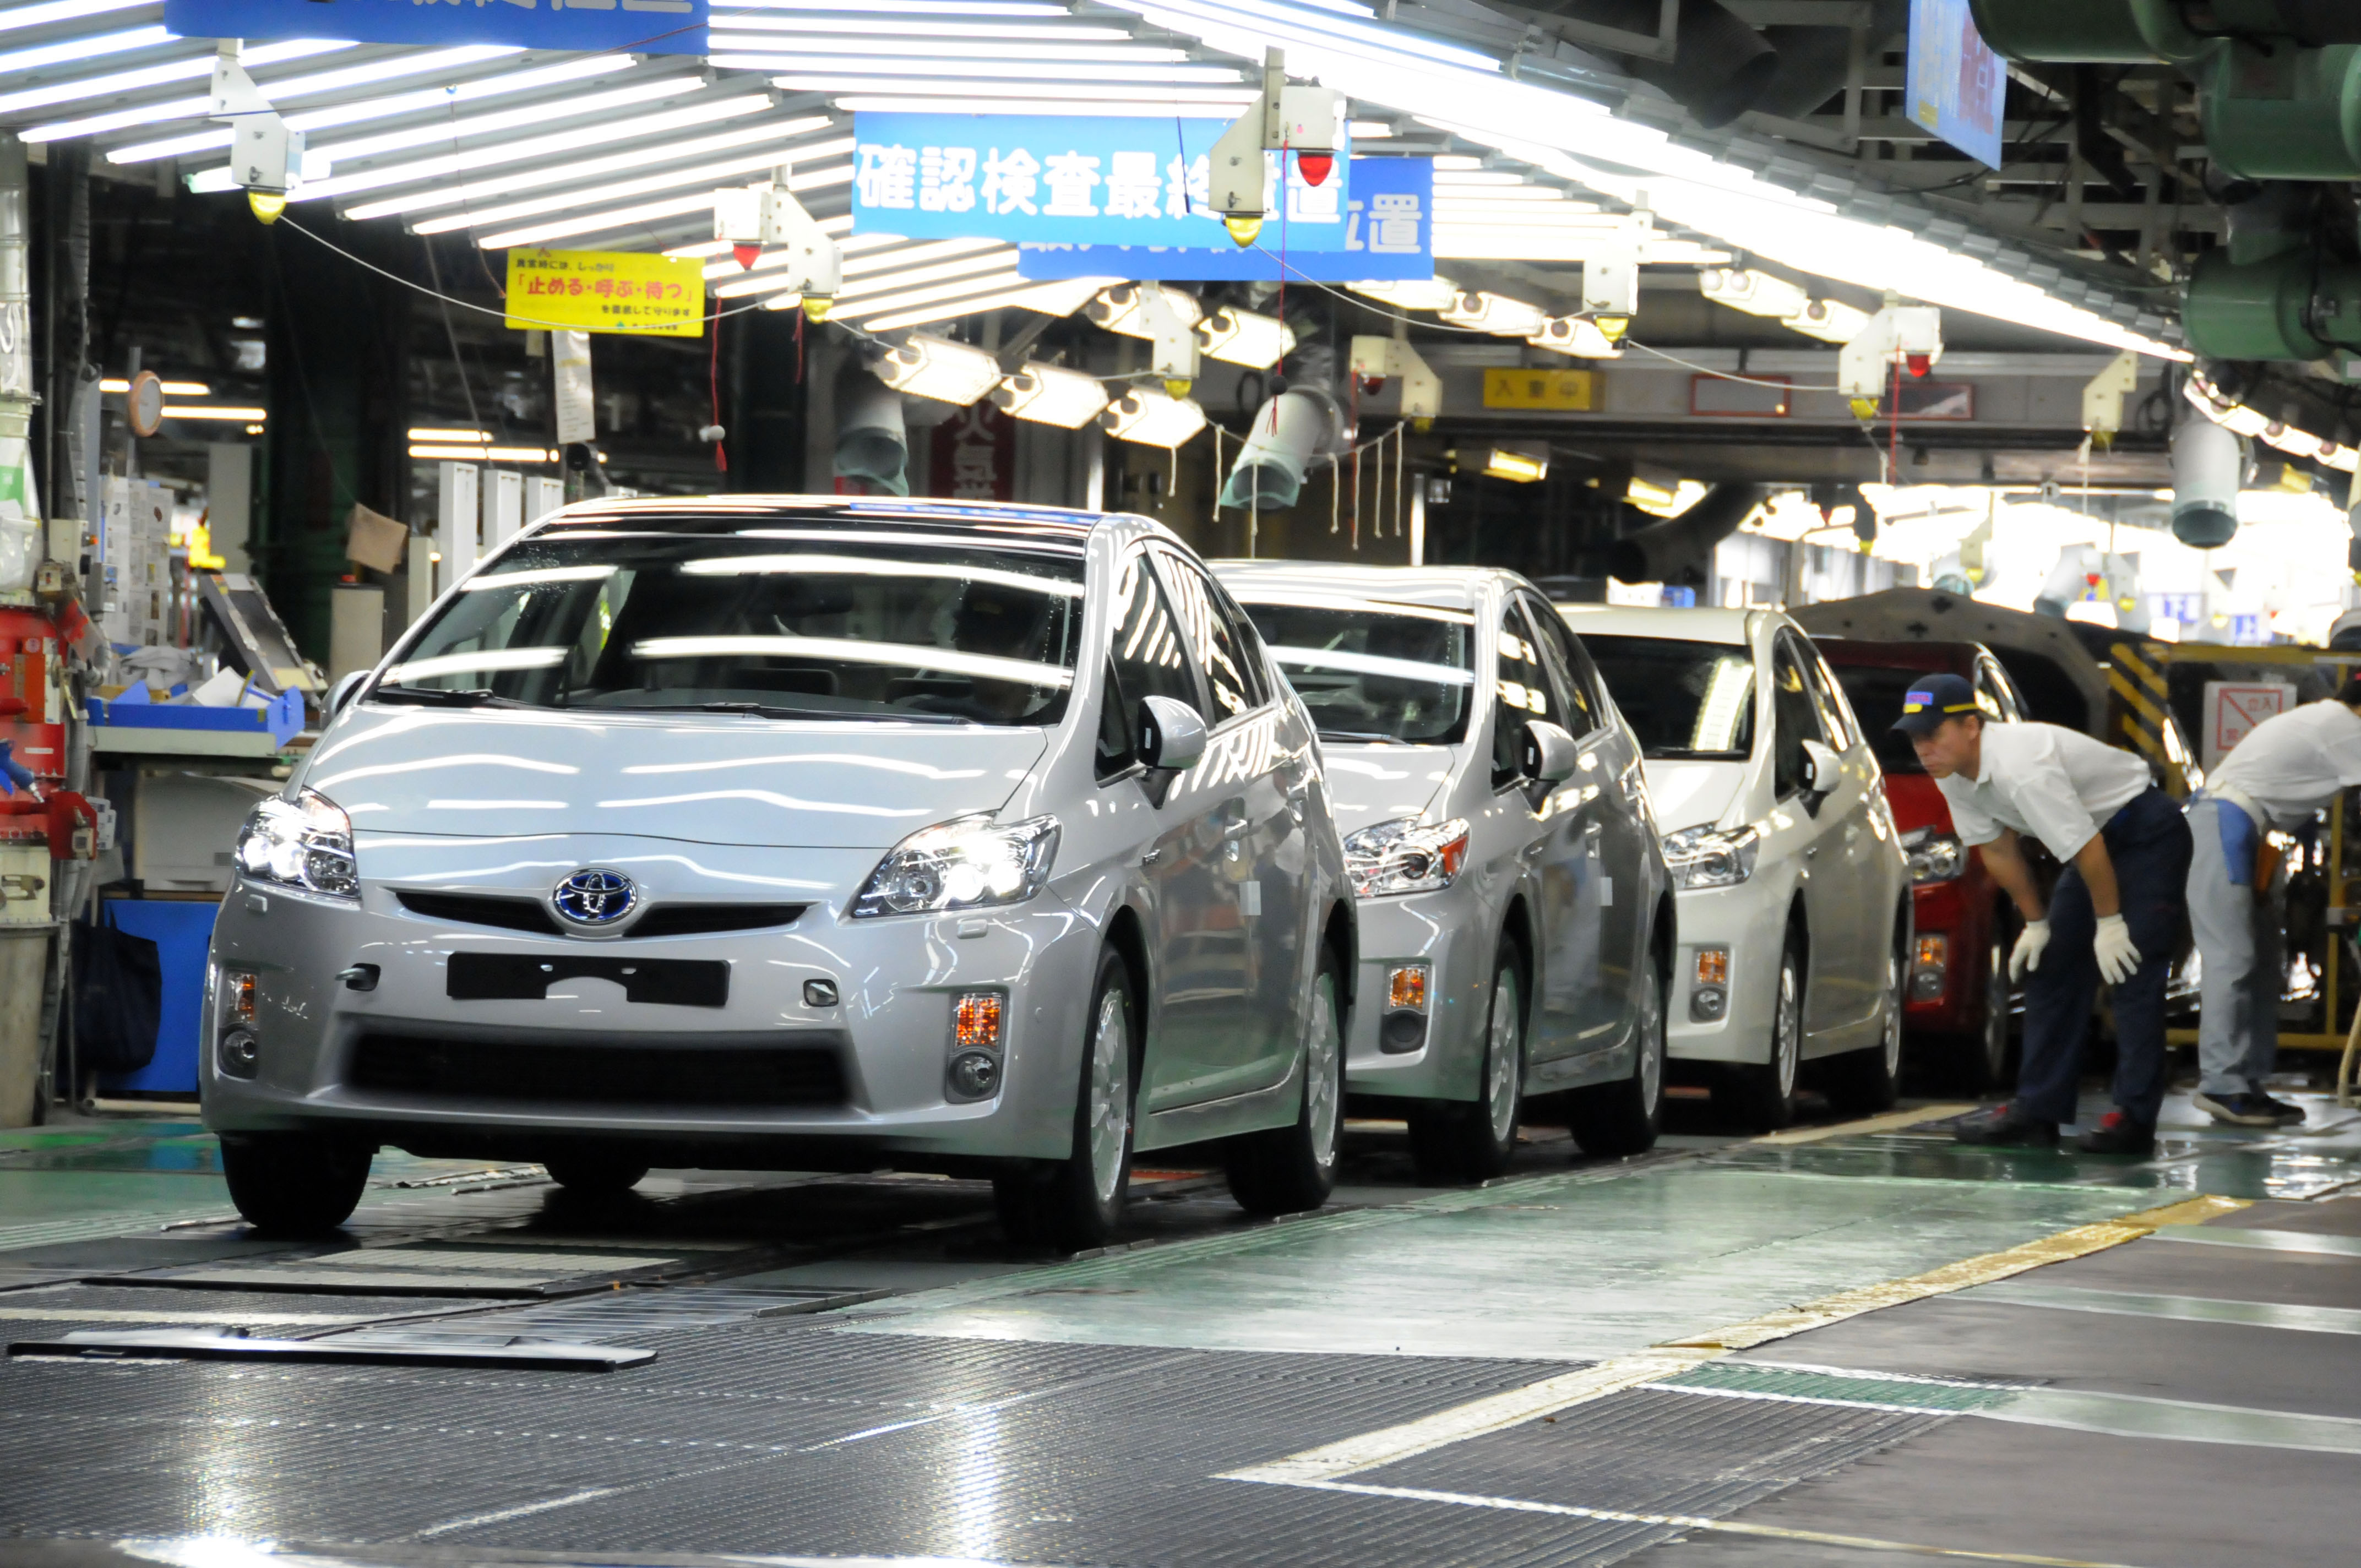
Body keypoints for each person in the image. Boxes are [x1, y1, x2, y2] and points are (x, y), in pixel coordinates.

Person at [1894, 674, 2193, 1155]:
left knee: (2131, 972)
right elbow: (1996, 848)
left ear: (1972, 726)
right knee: (2051, 966)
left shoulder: (2019, 766)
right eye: (1915, 737)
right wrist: (2036, 923)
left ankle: (2134, 1120)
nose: (1924, 748)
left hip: (2143, 832)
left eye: (1933, 734)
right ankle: (2039, 1110)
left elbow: (2088, 847)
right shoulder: (1951, 773)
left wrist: (2111, 925)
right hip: (2092, 844)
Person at [2183, 677, 2361, 1126]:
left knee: (2265, 964)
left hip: (2255, 833)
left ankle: (2247, 1081)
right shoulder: (2343, 727)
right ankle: (2222, 1083)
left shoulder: (2328, 720)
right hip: (2225, 822)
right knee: (2232, 959)